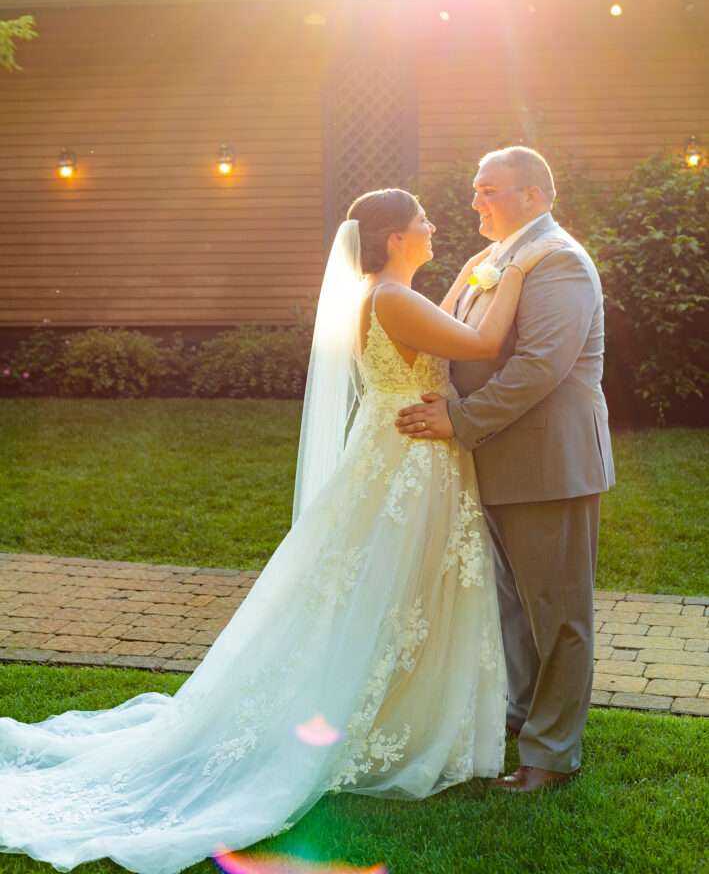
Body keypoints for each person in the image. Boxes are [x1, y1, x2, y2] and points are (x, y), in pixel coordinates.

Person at [0, 188, 558, 874]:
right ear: (392, 239)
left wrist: (483, 272)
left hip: (403, 453)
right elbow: (481, 341)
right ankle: (377, 720)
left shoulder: (389, 295)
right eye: (421, 221)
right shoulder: (389, 297)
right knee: (392, 591)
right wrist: (518, 272)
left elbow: (442, 332)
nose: (433, 225)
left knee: (398, 592)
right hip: (409, 463)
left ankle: (396, 715)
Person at [396, 148, 615, 793]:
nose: (474, 203)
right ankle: (519, 721)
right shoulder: (488, 261)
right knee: (508, 611)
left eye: (488, 190)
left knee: (557, 613)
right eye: (474, 190)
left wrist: (461, 419)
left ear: (534, 196)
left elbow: (542, 365)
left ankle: (550, 756)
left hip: (550, 463)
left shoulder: (560, 261)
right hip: (491, 459)